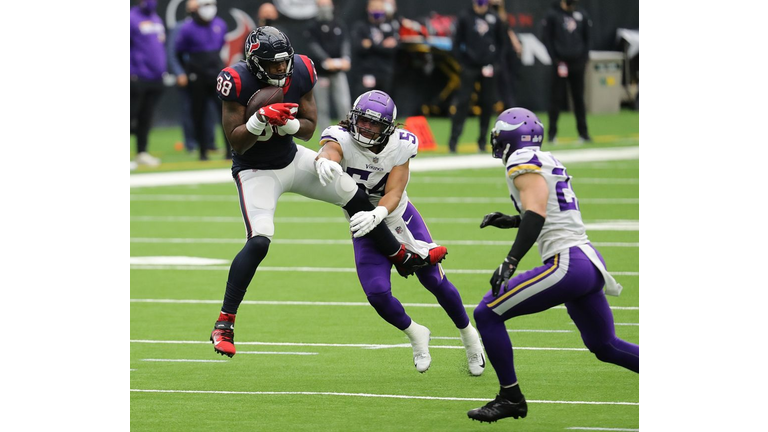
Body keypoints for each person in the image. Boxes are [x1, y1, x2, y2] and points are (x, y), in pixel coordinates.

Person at [209, 27, 445, 358]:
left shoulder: (301, 68)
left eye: (283, 64)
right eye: (272, 66)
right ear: (254, 63)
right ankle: (224, 324)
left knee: (353, 192)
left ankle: (399, 255)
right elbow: (236, 142)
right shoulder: (234, 80)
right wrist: (259, 119)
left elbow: (308, 128)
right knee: (260, 238)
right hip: (256, 171)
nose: (281, 70)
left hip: (292, 159)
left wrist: (287, 125)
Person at [466, 107, 638, 423]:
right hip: (587, 260)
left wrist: (510, 260)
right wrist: (513, 220)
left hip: (567, 263)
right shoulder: (547, 159)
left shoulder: (521, 160)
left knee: (487, 313)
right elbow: (548, 209)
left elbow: (538, 212)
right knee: (606, 345)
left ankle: (510, 397)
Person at [314, 90, 486, 374]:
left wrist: (378, 213)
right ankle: (416, 333)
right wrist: (326, 161)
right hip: (362, 224)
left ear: (389, 128)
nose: (367, 128)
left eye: (375, 124)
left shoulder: (401, 145)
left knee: (434, 280)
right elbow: (331, 148)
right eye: (363, 121)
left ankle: (470, 336)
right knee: (377, 293)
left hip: (398, 217)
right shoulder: (340, 135)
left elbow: (394, 190)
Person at [448, 0, 507, 154]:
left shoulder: (494, 17)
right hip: (470, 66)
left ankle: (483, 141)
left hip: (489, 67)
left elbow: (502, 42)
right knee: (463, 102)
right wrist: (462, 62)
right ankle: (453, 142)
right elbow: (456, 41)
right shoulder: (465, 17)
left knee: (487, 103)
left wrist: (496, 64)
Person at [174, 0, 229, 161]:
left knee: (225, 113)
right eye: (205, 4)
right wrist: (188, 71)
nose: (209, 8)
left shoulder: (220, 24)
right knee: (198, 113)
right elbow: (178, 52)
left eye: (211, 3)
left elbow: (220, 47)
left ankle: (229, 150)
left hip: (217, 74)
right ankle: (203, 151)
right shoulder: (187, 28)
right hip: (197, 75)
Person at [167, 0, 218, 154]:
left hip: (204, 75)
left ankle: (209, 142)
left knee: (208, 110)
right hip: (188, 74)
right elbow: (172, 53)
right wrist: (180, 73)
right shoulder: (180, 27)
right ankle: (191, 144)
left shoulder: (210, 26)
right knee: (190, 111)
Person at [541, 0, 593, 144]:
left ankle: (584, 134)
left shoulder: (581, 14)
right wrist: (555, 59)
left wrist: (584, 58)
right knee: (555, 98)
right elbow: (547, 38)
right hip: (560, 63)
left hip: (577, 62)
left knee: (579, 99)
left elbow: (587, 38)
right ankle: (552, 135)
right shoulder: (553, 15)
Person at [303, 0, 352, 130]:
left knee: (344, 104)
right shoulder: (312, 26)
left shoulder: (339, 24)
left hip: (338, 71)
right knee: (322, 107)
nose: (325, 8)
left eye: (327, 5)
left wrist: (346, 58)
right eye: (321, 5)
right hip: (321, 74)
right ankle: (325, 137)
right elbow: (312, 46)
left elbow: (345, 43)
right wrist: (325, 60)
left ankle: (347, 132)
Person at [130, 0, 166, 168]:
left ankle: (141, 152)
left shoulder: (156, 19)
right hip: (137, 75)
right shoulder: (131, 17)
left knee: (146, 117)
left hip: (155, 77)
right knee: (130, 117)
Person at [350, 0, 400, 99]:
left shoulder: (390, 26)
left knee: (384, 102)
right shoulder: (361, 26)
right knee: (364, 101)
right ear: (368, 9)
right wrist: (382, 45)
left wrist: (371, 45)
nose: (377, 11)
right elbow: (359, 47)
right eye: (374, 8)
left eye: (380, 8)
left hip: (385, 71)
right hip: (366, 71)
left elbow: (393, 48)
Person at [490, 0, 523, 108]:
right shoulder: (487, 13)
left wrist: (515, 42)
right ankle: (507, 106)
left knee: (510, 79)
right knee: (501, 80)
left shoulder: (500, 13)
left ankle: (511, 106)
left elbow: (506, 28)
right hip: (494, 50)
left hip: (506, 49)